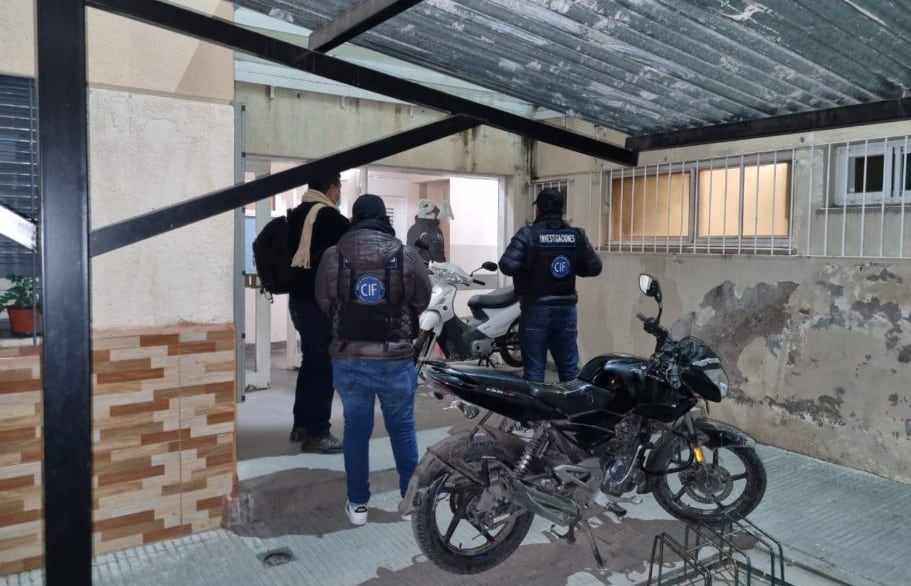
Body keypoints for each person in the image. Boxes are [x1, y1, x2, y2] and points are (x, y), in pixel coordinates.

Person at [315, 193, 432, 526]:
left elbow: (324, 301)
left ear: (354, 219)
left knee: (355, 430)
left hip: (349, 357)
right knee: (402, 428)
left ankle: (358, 505)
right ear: (384, 218)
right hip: (394, 357)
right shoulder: (406, 254)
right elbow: (422, 299)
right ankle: (409, 502)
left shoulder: (333, 255)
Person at [498, 187, 602, 383]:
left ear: (538, 209)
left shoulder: (528, 235)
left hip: (536, 310)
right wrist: (572, 264)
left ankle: (537, 405)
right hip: (567, 311)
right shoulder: (576, 235)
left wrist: (527, 265)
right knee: (570, 372)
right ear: (561, 209)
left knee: (535, 373)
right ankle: (571, 404)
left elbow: (507, 266)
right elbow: (594, 268)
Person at [287, 173, 350, 453]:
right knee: (324, 366)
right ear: (333, 189)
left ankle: (301, 425)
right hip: (320, 304)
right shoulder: (330, 218)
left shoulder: (296, 214)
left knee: (311, 362)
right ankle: (318, 433)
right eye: (339, 188)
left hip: (298, 302)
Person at [405, 199, 446, 264]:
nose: (437, 215)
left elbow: (441, 252)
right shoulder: (415, 229)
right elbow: (410, 255)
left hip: (439, 267)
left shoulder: (438, 230)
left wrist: (444, 265)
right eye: (435, 212)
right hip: (423, 268)